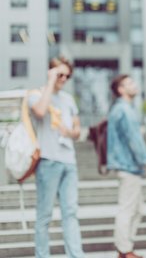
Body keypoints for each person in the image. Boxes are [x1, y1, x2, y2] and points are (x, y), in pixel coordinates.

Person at [29, 57, 85, 258]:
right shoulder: (37, 95)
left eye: (67, 76)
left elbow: (78, 131)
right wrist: (50, 83)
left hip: (69, 161)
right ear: (50, 72)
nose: (64, 78)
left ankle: (76, 255)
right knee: (44, 215)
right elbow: (40, 112)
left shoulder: (69, 100)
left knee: (70, 213)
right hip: (48, 160)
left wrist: (70, 132)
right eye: (59, 74)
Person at [107, 74, 146, 258]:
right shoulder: (124, 110)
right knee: (128, 209)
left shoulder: (121, 109)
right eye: (129, 83)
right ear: (121, 89)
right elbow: (135, 140)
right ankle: (124, 250)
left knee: (136, 209)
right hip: (127, 166)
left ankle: (125, 248)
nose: (134, 85)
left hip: (128, 166)